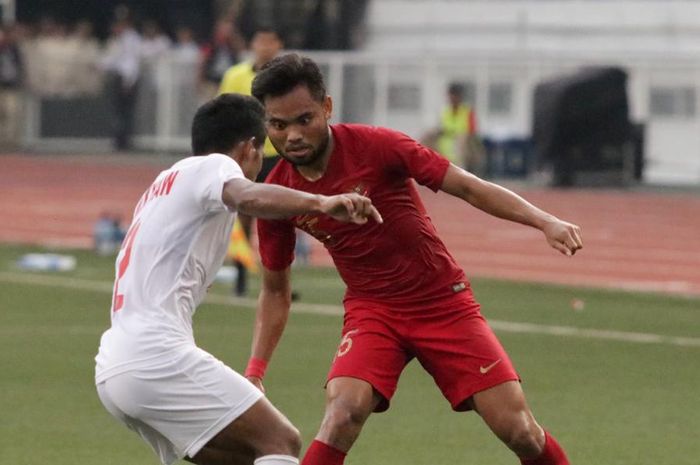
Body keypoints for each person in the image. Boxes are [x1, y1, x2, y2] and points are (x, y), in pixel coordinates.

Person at [248, 54, 583, 465]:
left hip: (442, 302)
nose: (293, 135)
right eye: (278, 125)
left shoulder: (378, 146)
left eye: (304, 119)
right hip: (373, 312)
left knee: (520, 432)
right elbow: (275, 289)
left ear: (327, 108)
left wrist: (543, 220)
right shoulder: (278, 194)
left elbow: (468, 186)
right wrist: (256, 370)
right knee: (341, 414)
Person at [94, 93, 381, 465]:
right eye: (262, 152)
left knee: (248, 456)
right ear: (249, 148)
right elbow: (245, 195)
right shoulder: (213, 167)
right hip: (154, 356)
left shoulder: (162, 184)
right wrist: (320, 202)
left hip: (115, 364)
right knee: (282, 441)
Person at [219, 26, 285, 296]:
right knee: (244, 218)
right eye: (261, 41)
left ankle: (280, 282)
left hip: (278, 155)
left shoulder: (287, 78)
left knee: (282, 219)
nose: (265, 47)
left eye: (271, 41)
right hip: (247, 157)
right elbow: (222, 113)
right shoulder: (235, 76)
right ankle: (241, 278)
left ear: (278, 45)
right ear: (253, 44)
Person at [100, 12, 141, 150]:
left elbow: (131, 62)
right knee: (119, 111)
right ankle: (119, 140)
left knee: (124, 111)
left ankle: (124, 141)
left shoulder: (131, 39)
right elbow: (114, 59)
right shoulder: (120, 39)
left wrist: (128, 81)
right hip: (120, 77)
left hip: (126, 79)